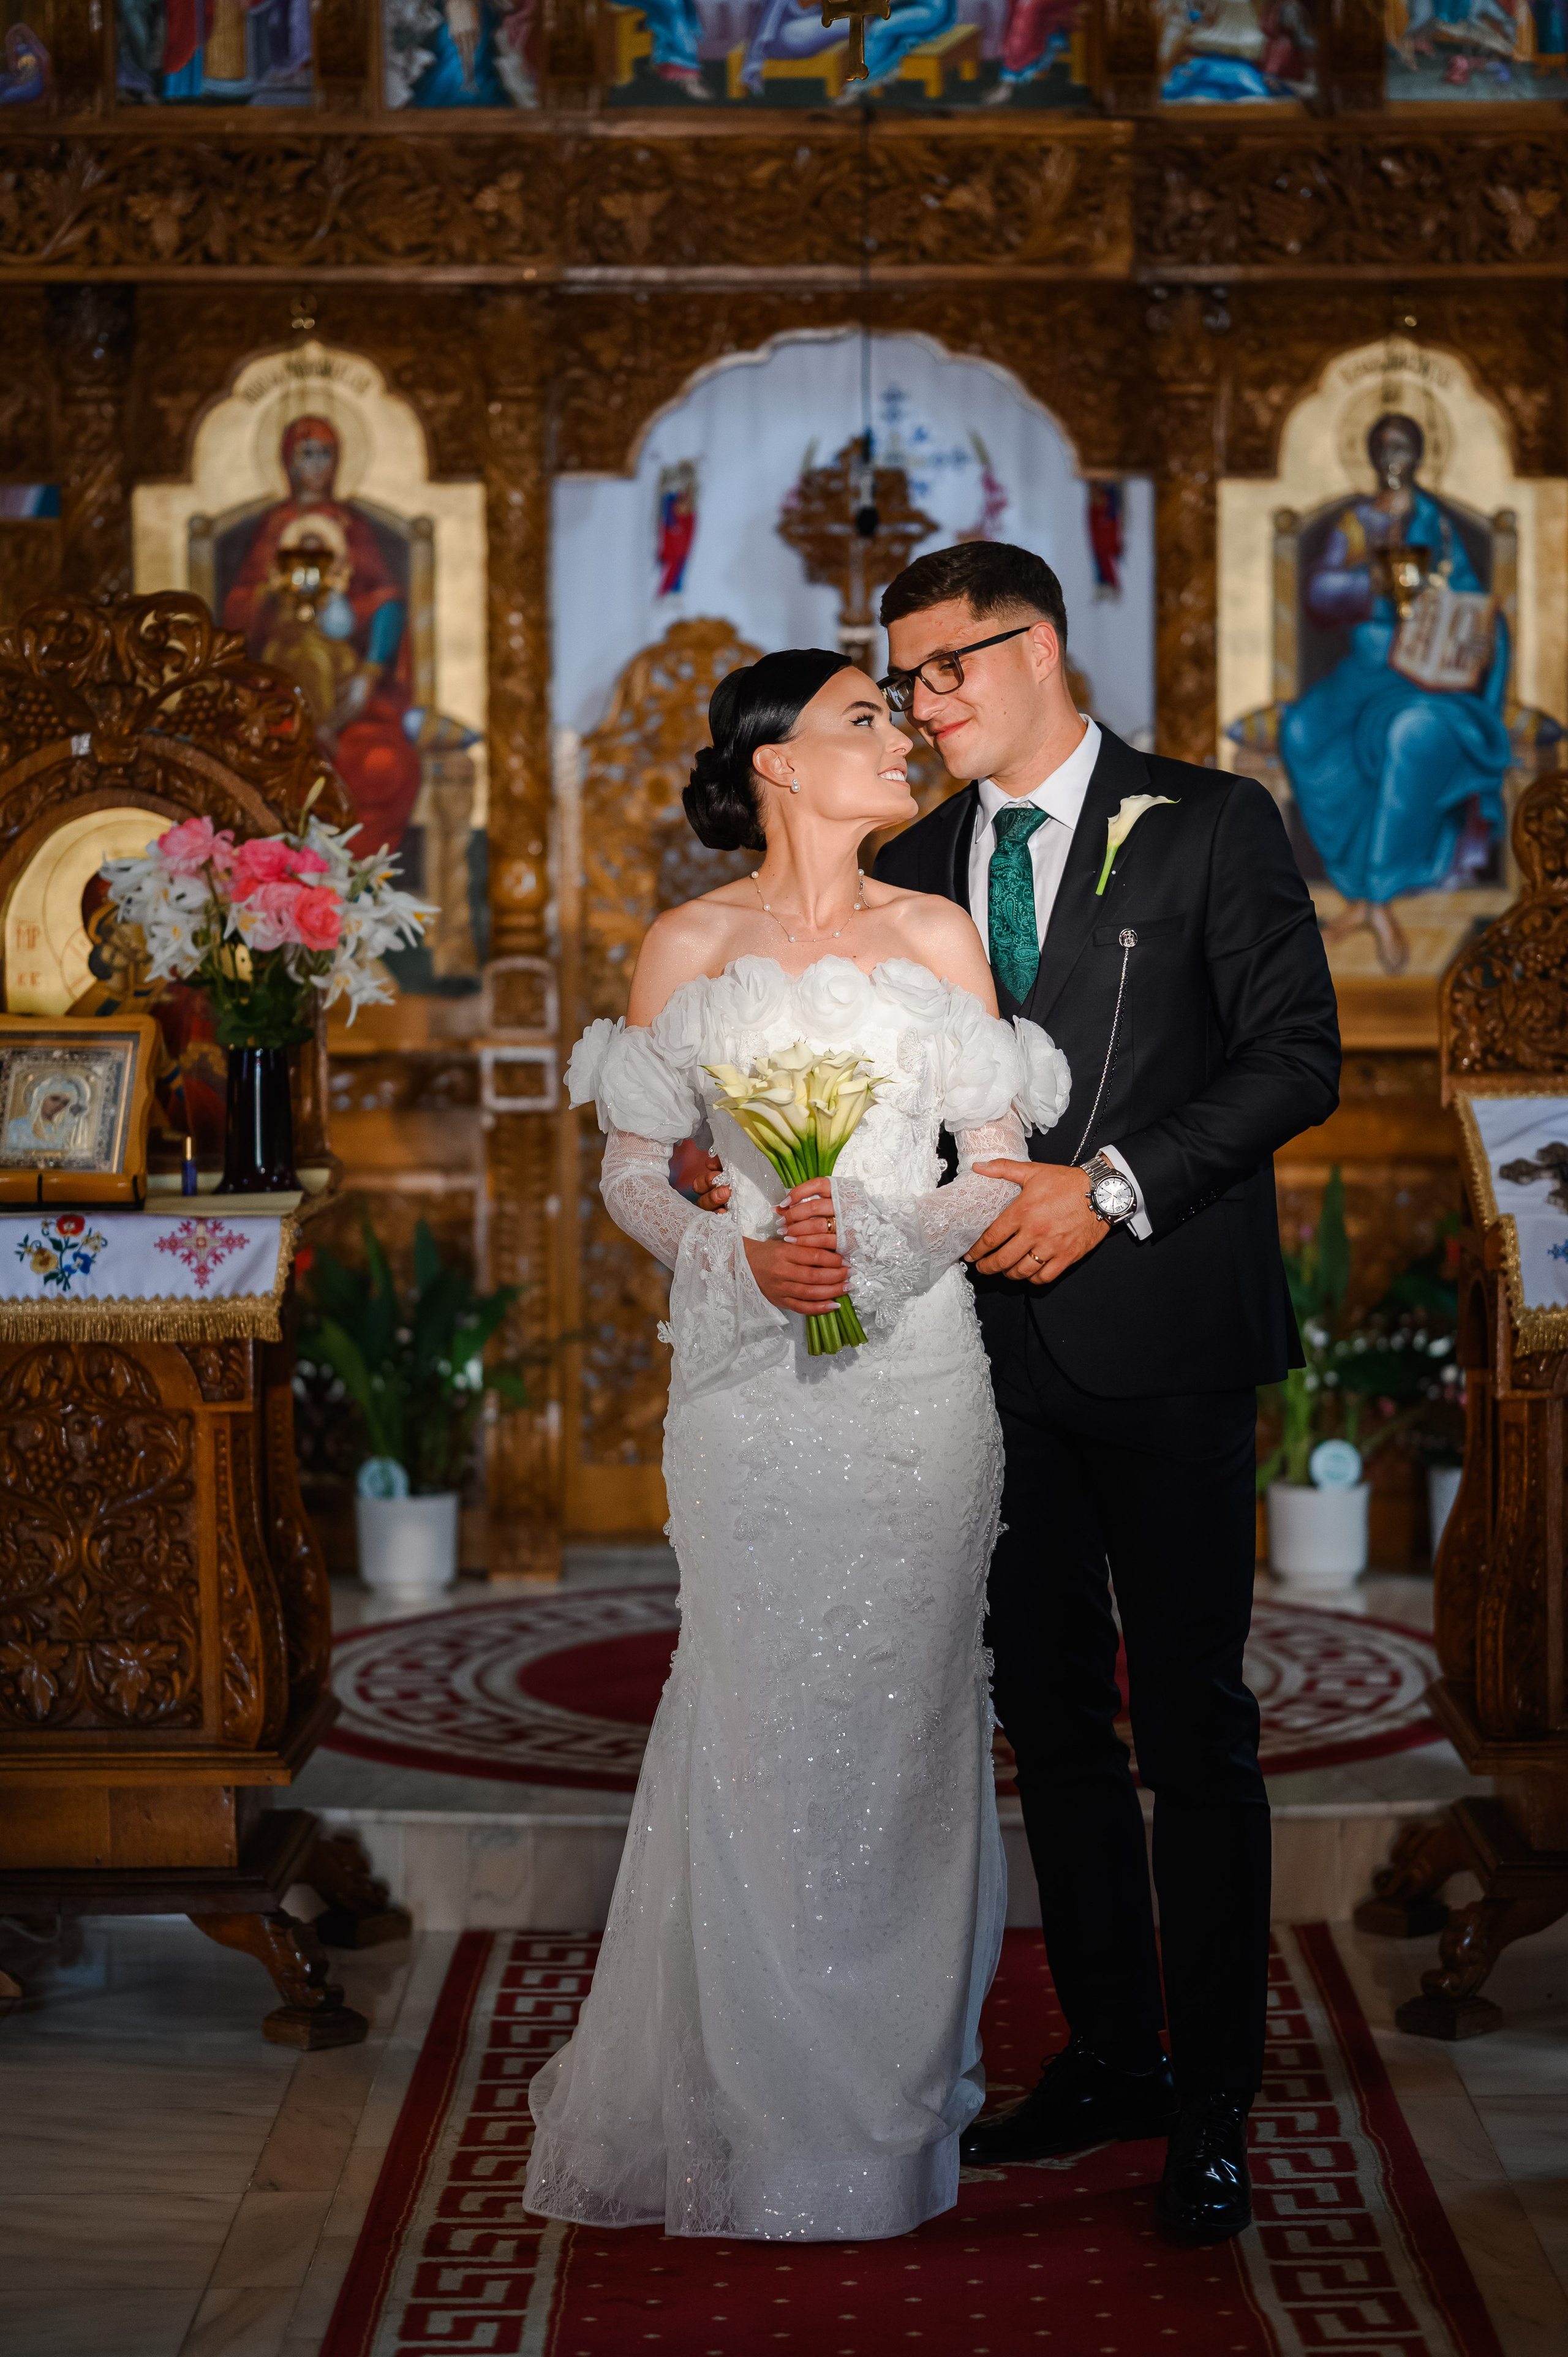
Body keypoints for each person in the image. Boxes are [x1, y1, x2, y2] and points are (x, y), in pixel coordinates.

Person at [524, 649, 1071, 2241]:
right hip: (751, 1390)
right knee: (757, 1715)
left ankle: (881, 2120)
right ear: (775, 764)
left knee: (911, 1725)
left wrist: (889, 1246)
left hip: (915, 1385)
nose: (899, 738)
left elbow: (998, 1162)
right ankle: (750, 2113)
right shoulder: (685, 947)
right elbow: (636, 1172)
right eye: (863, 718)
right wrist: (740, 1257)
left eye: (898, 719)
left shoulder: (941, 935)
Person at [840, 538, 1338, 2242]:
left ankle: (1213, 2101)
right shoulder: (907, 861)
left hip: (1170, 1336)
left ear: (1038, 647)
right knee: (1049, 1721)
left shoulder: (1208, 822)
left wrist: (1110, 1184)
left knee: (1193, 1732)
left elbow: (1295, 1058)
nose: (922, 706)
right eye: (903, 682)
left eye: (945, 672)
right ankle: (1114, 2055)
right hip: (973, 1359)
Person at [1278, 411, 1510, 976]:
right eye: (1382, 447)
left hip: (1430, 679)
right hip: (1366, 667)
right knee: (1301, 728)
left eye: (1403, 447)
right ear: (1370, 454)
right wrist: (1374, 580)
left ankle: (1375, 901)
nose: (1392, 458)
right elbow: (1320, 594)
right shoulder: (1357, 524)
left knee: (1411, 734)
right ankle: (1360, 888)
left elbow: (1478, 609)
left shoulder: (1441, 527)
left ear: (1421, 454)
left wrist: (1480, 642)